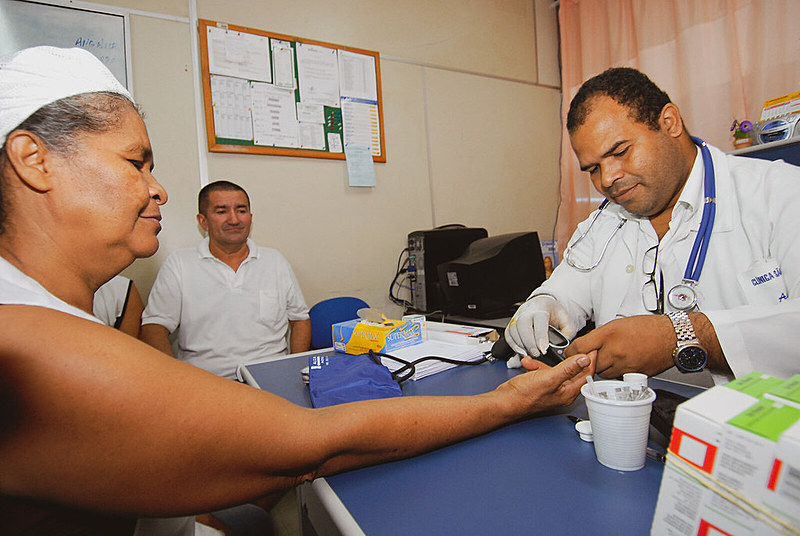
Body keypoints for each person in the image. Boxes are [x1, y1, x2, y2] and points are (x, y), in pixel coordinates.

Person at [0, 46, 595, 535]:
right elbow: (315, 445)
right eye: (136, 162)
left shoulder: (44, 316)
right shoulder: (30, 346)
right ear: (34, 160)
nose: (158, 190)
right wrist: (509, 402)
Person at [505, 67, 800, 385]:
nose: (607, 179)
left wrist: (684, 335)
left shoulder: (779, 193)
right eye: (593, 168)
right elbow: (562, 293)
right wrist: (542, 306)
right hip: (624, 422)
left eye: (620, 152)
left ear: (669, 123)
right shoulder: (601, 225)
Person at [139, 180, 311, 379]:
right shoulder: (180, 263)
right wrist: (176, 378)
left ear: (250, 217)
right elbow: (154, 327)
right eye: (221, 211)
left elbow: (300, 319)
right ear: (203, 221)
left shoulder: (275, 261)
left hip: (269, 378)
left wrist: (295, 370)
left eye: (241, 210)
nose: (234, 219)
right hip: (206, 381)